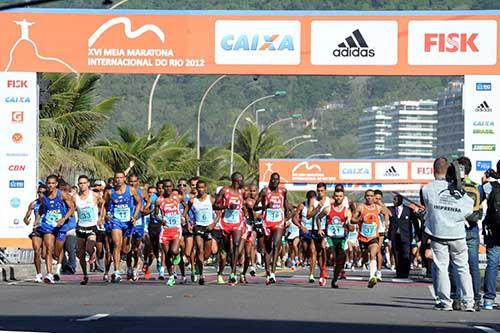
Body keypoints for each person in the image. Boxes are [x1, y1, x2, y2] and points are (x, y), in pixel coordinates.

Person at [421, 157, 474, 311]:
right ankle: (469, 302)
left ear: (433, 170)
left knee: (441, 267)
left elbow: (428, 207)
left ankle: (445, 302)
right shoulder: (457, 188)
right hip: (457, 233)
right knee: (463, 268)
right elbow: (469, 209)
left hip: (438, 233)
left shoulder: (427, 189)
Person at [449, 156, 483, 311]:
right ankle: (476, 299)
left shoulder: (452, 187)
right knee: (473, 265)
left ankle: (456, 298)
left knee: (455, 264)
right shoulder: (477, 187)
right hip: (473, 228)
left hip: (456, 228)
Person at [100, 171, 142, 283]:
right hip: (116, 221)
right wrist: (103, 217)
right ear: (114, 179)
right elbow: (104, 204)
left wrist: (135, 216)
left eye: (120, 177)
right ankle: (117, 271)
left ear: (124, 179)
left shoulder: (131, 190)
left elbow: (139, 203)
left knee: (125, 249)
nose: (118, 180)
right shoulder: (110, 192)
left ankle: (126, 265)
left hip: (128, 222)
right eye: (116, 178)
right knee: (116, 244)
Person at [35, 175, 75, 284]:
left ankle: (59, 264)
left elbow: (72, 208)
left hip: (61, 226)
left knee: (57, 252)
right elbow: (42, 209)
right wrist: (37, 220)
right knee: (48, 248)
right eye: (48, 183)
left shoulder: (62, 194)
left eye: (52, 183)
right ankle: (49, 274)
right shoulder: (44, 196)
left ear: (56, 184)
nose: (50, 185)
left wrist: (63, 219)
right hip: (48, 225)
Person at [255, 173, 291, 285]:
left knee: (276, 245)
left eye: (277, 180)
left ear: (279, 181)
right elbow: (255, 206)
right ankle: (267, 271)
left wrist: (286, 218)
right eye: (273, 179)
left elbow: (286, 206)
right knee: (268, 247)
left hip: (278, 222)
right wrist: (265, 207)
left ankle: (273, 273)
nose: (275, 181)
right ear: (270, 180)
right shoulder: (265, 192)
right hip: (267, 222)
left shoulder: (283, 191)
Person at [214, 172, 246, 285]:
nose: (242, 182)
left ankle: (233, 272)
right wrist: (227, 206)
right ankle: (228, 264)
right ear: (235, 180)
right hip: (226, 222)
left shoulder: (242, 192)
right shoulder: (225, 190)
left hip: (237, 222)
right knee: (228, 250)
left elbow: (245, 205)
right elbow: (215, 205)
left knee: (236, 244)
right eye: (240, 180)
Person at [317, 188, 352, 288]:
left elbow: (350, 224)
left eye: (340, 196)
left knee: (341, 258)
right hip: (330, 238)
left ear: (343, 197)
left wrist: (348, 225)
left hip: (341, 239)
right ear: (333, 197)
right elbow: (318, 218)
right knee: (331, 256)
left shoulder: (347, 211)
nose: (338, 198)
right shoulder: (328, 209)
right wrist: (320, 229)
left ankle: (335, 279)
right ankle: (323, 273)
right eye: (336, 196)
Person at [155, 179, 185, 287]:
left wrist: (183, 217)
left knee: (174, 250)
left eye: (169, 186)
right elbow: (155, 214)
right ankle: (171, 276)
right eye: (165, 187)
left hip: (176, 229)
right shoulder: (159, 200)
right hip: (165, 230)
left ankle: (177, 255)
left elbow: (186, 206)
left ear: (172, 187)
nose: (167, 189)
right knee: (167, 255)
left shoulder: (178, 198)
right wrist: (160, 220)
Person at [75, 175, 103, 285]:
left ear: (88, 184)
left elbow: (103, 204)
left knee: (89, 247)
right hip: (81, 226)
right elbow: (71, 208)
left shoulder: (94, 195)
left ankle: (93, 252)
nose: (82, 185)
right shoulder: (75, 197)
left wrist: (101, 217)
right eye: (80, 183)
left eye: (84, 183)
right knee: (81, 254)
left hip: (92, 226)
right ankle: (85, 275)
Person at [186, 180, 215, 285]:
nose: (200, 189)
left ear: (205, 188)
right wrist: (189, 224)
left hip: (209, 227)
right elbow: (185, 212)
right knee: (199, 248)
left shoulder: (210, 199)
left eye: (202, 187)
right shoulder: (193, 201)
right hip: (198, 226)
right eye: (199, 188)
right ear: (196, 189)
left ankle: (200, 263)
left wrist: (213, 224)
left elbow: (219, 212)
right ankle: (201, 275)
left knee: (207, 254)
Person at [480, 160, 500, 310]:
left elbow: (477, 197)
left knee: (492, 264)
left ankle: (488, 300)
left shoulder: (490, 187)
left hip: (495, 231)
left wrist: (485, 181)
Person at [352, 189, 381, 288]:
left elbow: (388, 214)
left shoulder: (378, 207)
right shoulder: (361, 207)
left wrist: (386, 222)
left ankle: (372, 277)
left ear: (374, 197)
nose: (369, 197)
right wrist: (359, 219)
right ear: (365, 197)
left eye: (371, 196)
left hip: (374, 236)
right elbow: (352, 219)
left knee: (373, 253)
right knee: (365, 257)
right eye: (367, 196)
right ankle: (366, 262)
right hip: (363, 237)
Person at [388, 194, 419, 279]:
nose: (393, 201)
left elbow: (415, 223)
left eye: (395, 199)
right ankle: (399, 273)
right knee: (396, 254)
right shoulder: (390, 210)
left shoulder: (408, 210)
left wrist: (417, 234)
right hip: (394, 236)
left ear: (400, 200)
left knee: (406, 254)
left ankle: (405, 272)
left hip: (406, 236)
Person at [24, 184, 47, 283]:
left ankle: (49, 270)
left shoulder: (50, 203)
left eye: (43, 193)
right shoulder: (33, 204)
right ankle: (38, 274)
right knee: (36, 250)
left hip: (47, 229)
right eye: (39, 192)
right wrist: (26, 220)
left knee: (44, 254)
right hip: (37, 229)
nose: (41, 195)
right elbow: (26, 216)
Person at [293, 190, 317, 283]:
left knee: (313, 250)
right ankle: (305, 256)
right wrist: (301, 227)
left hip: (314, 230)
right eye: (309, 199)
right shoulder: (302, 205)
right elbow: (294, 218)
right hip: (304, 230)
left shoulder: (317, 206)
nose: (311, 201)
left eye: (313, 199)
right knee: (306, 247)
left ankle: (311, 274)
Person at [373, 190, 391, 281]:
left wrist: (386, 225)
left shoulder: (382, 207)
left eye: (380, 199)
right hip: (370, 230)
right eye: (376, 198)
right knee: (369, 251)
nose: (377, 200)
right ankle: (371, 266)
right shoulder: (369, 205)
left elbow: (388, 213)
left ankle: (378, 271)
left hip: (380, 230)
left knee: (378, 250)